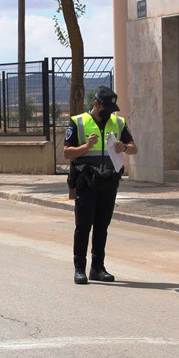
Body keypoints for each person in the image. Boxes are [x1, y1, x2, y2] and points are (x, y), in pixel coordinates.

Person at [62, 85, 138, 284]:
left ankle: (98, 268)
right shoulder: (78, 122)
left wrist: (125, 147)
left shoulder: (118, 123)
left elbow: (133, 148)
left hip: (109, 181)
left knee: (102, 226)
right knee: (83, 226)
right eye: (106, 109)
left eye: (112, 110)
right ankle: (80, 269)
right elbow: (67, 152)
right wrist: (86, 147)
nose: (110, 113)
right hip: (87, 182)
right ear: (96, 104)